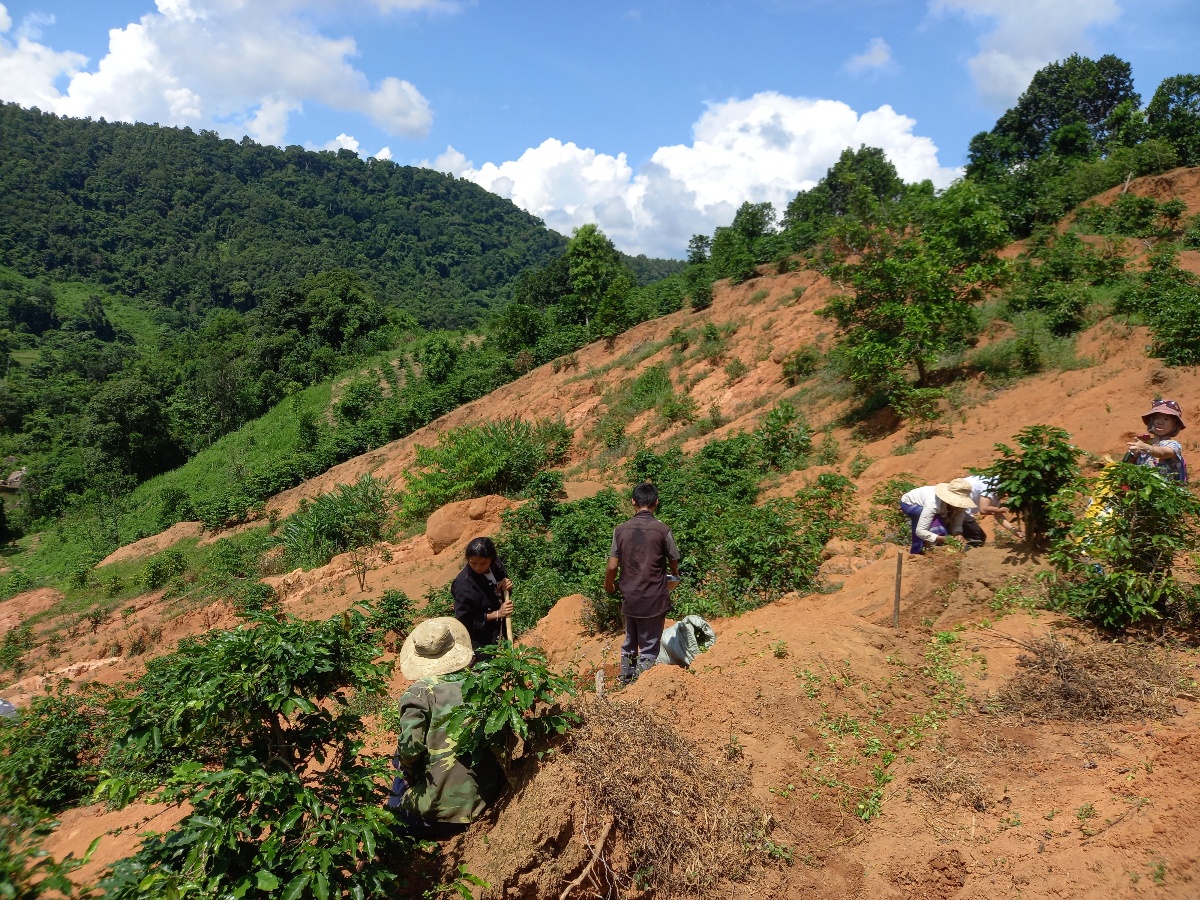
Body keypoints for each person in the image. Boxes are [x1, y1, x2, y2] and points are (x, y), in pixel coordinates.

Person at [390, 617, 505, 833]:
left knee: (399, 760)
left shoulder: (419, 693)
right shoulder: (482, 683)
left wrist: (407, 770)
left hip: (440, 812)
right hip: (486, 797)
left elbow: (410, 750)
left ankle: (400, 832)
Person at [604, 482, 681, 684]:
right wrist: (674, 573)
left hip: (630, 598)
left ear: (633, 502)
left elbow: (612, 566)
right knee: (648, 647)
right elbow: (673, 558)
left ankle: (625, 681)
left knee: (630, 642)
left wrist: (609, 585)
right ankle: (641, 686)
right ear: (656, 502)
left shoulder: (620, 530)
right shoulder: (662, 530)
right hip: (654, 598)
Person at [451, 536, 513, 656]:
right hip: (480, 639)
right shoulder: (464, 586)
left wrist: (507, 584)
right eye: (473, 563)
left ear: (491, 559)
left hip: (499, 628)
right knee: (485, 667)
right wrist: (497, 614)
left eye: (483, 563)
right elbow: (465, 619)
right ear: (467, 559)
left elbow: (503, 581)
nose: (478, 568)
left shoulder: (496, 566)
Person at [899, 478, 976, 555]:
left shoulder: (960, 506)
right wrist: (940, 538)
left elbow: (957, 524)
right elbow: (920, 531)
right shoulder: (933, 503)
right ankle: (922, 551)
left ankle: (931, 546)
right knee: (936, 526)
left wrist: (958, 533)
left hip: (931, 507)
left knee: (942, 526)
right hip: (909, 503)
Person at [1125, 399, 1187, 482]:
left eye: (1166, 419)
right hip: (1142, 493)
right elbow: (1128, 469)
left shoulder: (1174, 445)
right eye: (1156, 418)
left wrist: (1146, 447)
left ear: (1174, 425)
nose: (1160, 422)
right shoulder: (1143, 445)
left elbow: (1162, 453)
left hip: (1164, 493)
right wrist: (1134, 455)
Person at [960, 474, 1024, 546]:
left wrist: (1015, 531)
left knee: (978, 537)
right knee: (978, 538)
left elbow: (998, 514)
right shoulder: (991, 486)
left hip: (962, 509)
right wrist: (1005, 508)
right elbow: (983, 509)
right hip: (956, 508)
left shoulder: (998, 488)